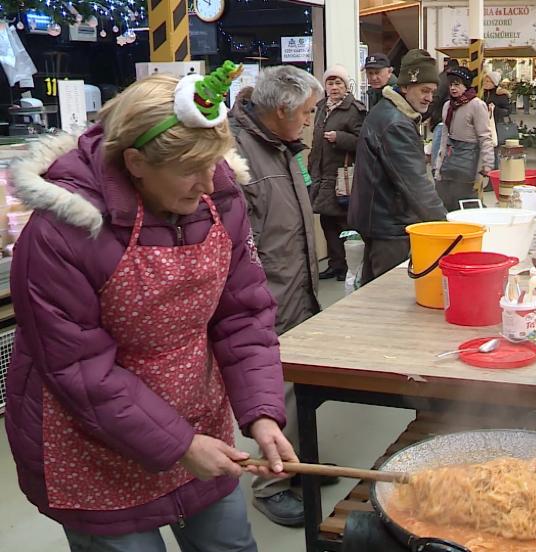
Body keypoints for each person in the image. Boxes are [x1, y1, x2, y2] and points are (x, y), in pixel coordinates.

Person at [5, 66, 294, 551]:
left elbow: (242, 316)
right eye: (189, 170)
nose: (207, 184)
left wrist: (262, 411)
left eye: (214, 163)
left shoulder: (219, 199)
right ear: (136, 162)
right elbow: (79, 369)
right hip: (93, 442)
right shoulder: (63, 230)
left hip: (199, 421)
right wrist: (177, 445)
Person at [229, 65, 323, 526]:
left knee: (297, 380)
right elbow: (234, 241)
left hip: (296, 279)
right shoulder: (236, 153)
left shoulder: (282, 146)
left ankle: (297, 463)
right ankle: (271, 483)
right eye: (306, 113)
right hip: (267, 290)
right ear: (282, 109)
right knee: (273, 387)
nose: (309, 121)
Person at [349, 49, 448, 284]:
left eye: (433, 92)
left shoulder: (388, 112)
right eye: (424, 90)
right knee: (389, 297)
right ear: (405, 87)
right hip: (390, 226)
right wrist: (446, 227)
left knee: (372, 293)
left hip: (378, 219)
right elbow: (416, 185)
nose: (429, 98)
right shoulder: (396, 124)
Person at [309, 65, 366, 281]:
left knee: (344, 221)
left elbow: (363, 141)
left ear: (346, 85)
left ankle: (351, 265)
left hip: (343, 178)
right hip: (323, 175)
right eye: (330, 83)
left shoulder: (355, 110)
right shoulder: (322, 107)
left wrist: (340, 138)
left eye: (338, 83)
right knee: (327, 221)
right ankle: (336, 264)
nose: (334, 87)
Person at [434, 65, 495, 211]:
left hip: (469, 157)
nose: (453, 88)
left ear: (465, 85)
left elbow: (485, 137)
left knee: (464, 200)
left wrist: (487, 165)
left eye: (457, 84)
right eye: (450, 85)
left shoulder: (477, 105)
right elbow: (444, 136)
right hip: (450, 155)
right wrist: (438, 165)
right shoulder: (448, 105)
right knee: (444, 197)